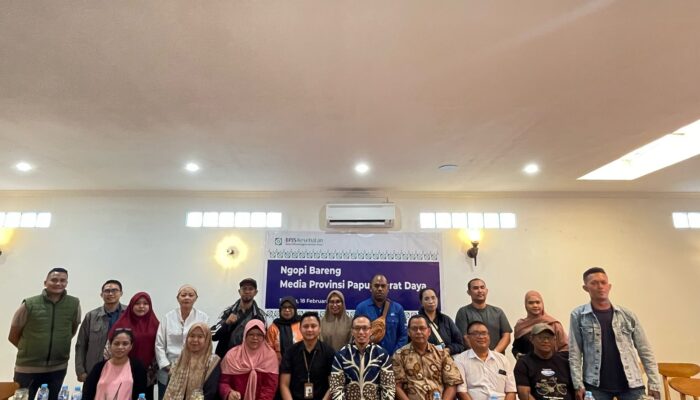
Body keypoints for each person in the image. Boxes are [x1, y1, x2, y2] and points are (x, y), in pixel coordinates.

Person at [569, 267, 662, 400]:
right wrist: (578, 385)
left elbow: (645, 350)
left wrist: (654, 383)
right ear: (585, 288)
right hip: (595, 386)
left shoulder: (627, 315)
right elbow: (575, 353)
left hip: (632, 384)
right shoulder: (578, 315)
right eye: (594, 283)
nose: (600, 286)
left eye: (603, 282)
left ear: (609, 286)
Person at [9, 267, 81, 400]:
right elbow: (13, 334)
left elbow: (71, 331)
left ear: (66, 283)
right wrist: (28, 349)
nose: (58, 283)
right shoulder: (29, 304)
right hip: (27, 368)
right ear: (45, 282)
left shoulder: (74, 304)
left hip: (57, 368)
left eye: (62, 280)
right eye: (54, 280)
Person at [156, 285, 210, 398]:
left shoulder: (203, 317)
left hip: (194, 370)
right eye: (183, 295)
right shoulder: (168, 317)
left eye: (191, 295)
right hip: (168, 368)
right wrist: (167, 366)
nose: (187, 298)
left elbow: (206, 344)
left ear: (196, 298)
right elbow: (159, 344)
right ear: (178, 298)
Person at [393, 315, 463, 400]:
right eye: (414, 329)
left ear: (429, 331)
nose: (418, 332)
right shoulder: (399, 355)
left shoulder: (441, 354)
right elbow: (397, 386)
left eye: (422, 328)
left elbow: (452, 384)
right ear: (408, 332)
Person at [329, 314, 396, 400]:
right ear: (352, 331)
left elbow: (389, 388)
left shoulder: (382, 355)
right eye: (357, 328)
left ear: (371, 331)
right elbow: (336, 388)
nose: (361, 332)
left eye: (365, 328)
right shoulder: (341, 355)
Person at [110, 292, 160, 400]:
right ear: (131, 305)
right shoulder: (121, 323)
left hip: (147, 373)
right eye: (137, 303)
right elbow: (110, 347)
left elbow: (160, 347)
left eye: (145, 303)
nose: (141, 306)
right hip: (123, 370)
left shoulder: (156, 325)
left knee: (144, 396)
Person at [76, 279, 126, 383]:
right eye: (107, 291)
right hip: (94, 369)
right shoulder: (91, 316)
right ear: (101, 294)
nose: (110, 293)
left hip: (122, 369)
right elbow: (81, 344)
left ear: (121, 293)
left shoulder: (128, 314)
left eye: (114, 290)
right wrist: (80, 371)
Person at [453, 321, 516, 400]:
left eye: (484, 333)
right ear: (468, 338)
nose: (481, 337)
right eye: (476, 333)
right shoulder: (460, 360)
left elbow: (511, 391)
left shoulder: (503, 359)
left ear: (489, 336)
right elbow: (461, 391)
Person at [279, 312, 335, 400]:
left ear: (319, 329)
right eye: (305, 326)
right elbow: (284, 385)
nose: (309, 329)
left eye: (313, 326)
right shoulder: (290, 352)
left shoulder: (329, 352)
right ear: (300, 329)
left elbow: (332, 385)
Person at [219, 319, 279, 400]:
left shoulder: (270, 356)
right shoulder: (232, 355)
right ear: (245, 335)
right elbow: (223, 382)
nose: (255, 338)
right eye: (251, 334)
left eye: (259, 335)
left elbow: (270, 386)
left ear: (264, 336)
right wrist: (229, 392)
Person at [82, 328, 148, 400]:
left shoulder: (138, 368)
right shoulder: (98, 368)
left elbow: (141, 395)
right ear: (110, 345)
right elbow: (87, 394)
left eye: (125, 344)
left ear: (131, 346)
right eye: (116, 343)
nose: (120, 347)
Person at [514, 323, 574, 400]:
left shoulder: (565, 362)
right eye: (541, 337)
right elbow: (524, 394)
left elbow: (576, 391)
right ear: (531, 339)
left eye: (549, 338)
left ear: (554, 340)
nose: (546, 341)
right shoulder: (523, 363)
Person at [163, 323, 221, 400]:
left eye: (200, 336)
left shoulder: (212, 362)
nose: (195, 340)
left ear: (207, 339)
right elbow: (169, 388)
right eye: (192, 336)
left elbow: (210, 392)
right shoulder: (179, 361)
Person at [212, 278, 267, 359]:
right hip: (225, 358)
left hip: (248, 360)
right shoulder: (228, 311)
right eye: (244, 289)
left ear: (255, 292)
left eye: (250, 289)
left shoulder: (260, 316)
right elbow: (213, 335)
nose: (247, 291)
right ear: (239, 291)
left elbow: (263, 341)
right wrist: (226, 323)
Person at [354, 274, 408, 355]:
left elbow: (403, 336)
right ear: (370, 288)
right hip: (368, 357)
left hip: (392, 358)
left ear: (388, 288)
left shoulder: (398, 309)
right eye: (376, 286)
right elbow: (356, 333)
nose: (380, 289)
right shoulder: (361, 308)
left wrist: (395, 355)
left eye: (383, 286)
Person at [455, 278, 512, 353]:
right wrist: (481, 355)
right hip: (472, 357)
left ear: (486, 290)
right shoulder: (463, 312)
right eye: (475, 288)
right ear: (469, 292)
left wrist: (494, 354)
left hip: (496, 357)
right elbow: (464, 338)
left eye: (482, 287)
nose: (480, 291)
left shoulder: (498, 312)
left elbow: (506, 336)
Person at [512, 291, 568, 359]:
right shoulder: (521, 325)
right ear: (526, 305)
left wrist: (554, 361)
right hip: (527, 364)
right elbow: (516, 347)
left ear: (542, 304)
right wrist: (518, 355)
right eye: (531, 303)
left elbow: (565, 348)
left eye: (538, 302)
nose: (535, 305)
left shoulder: (554, 324)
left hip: (551, 364)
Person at [417, 287, 464, 355]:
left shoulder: (446, 320)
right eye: (426, 299)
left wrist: (448, 350)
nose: (431, 301)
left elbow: (460, 344)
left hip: (445, 358)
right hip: (424, 358)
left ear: (437, 299)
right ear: (421, 302)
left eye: (433, 298)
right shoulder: (416, 322)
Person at [265, 296, 302, 362]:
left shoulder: (302, 325)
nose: (287, 310)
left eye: (290, 307)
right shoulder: (273, 327)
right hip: (277, 365)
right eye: (284, 307)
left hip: (299, 364)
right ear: (280, 310)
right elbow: (268, 350)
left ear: (295, 309)